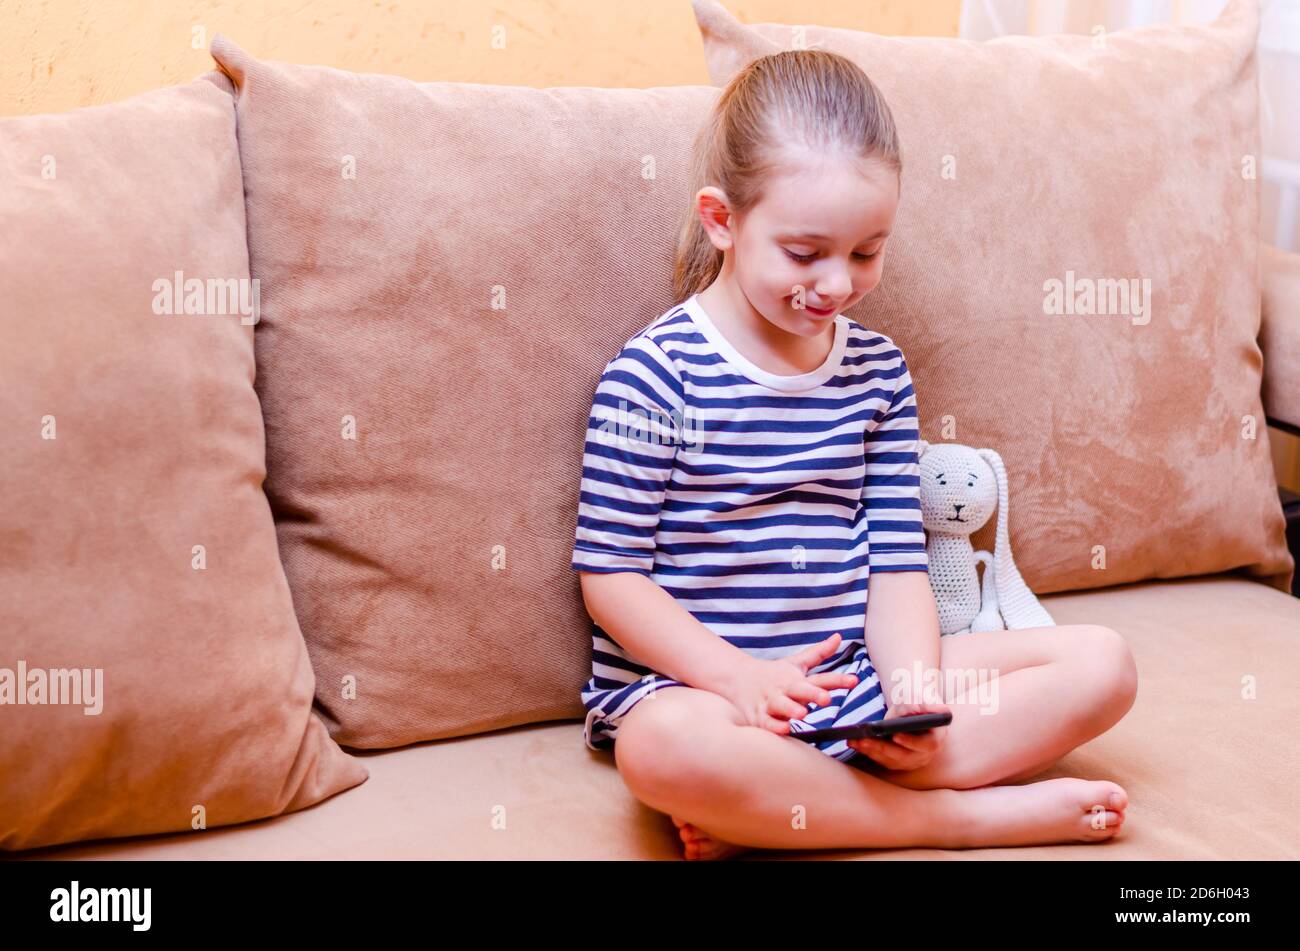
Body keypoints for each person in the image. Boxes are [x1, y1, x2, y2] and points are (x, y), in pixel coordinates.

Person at [571, 50, 1137, 860]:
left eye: (867, 252)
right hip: (705, 695)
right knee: (661, 751)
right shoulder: (653, 376)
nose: (837, 283)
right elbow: (611, 577)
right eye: (805, 253)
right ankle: (954, 820)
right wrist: (739, 678)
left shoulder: (878, 371)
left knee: (1102, 664)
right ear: (722, 220)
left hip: (856, 686)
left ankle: (782, 807)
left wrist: (911, 688)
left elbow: (896, 561)